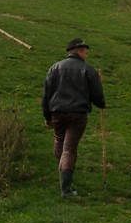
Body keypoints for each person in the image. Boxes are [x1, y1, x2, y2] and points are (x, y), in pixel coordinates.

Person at [41, 38, 106, 198]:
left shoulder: (54, 68)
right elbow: (97, 95)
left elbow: (46, 95)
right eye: (85, 52)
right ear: (79, 51)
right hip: (78, 114)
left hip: (58, 112)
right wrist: (101, 104)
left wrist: (47, 116)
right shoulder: (88, 70)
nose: (86, 55)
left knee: (59, 141)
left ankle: (64, 180)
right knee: (69, 149)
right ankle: (66, 189)